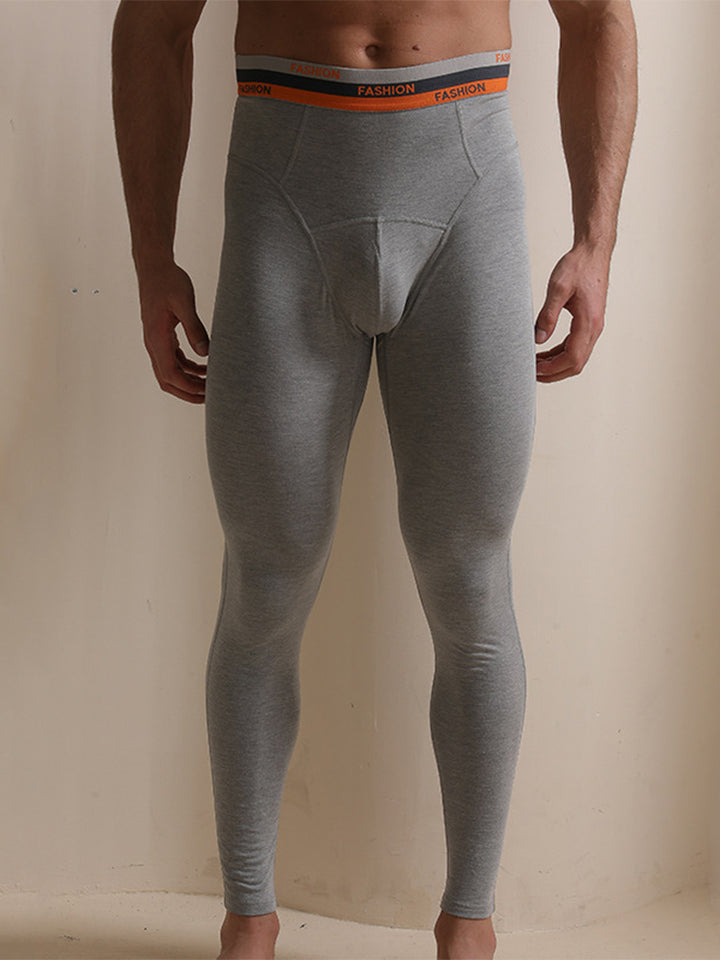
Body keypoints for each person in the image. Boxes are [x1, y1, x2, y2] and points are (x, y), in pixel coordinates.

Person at [111, 2, 637, 957]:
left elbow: (599, 13)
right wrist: (151, 256)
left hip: (465, 179)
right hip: (284, 184)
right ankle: (248, 919)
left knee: (471, 584)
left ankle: (469, 925)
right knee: (264, 582)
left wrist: (596, 240)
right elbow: (153, 22)